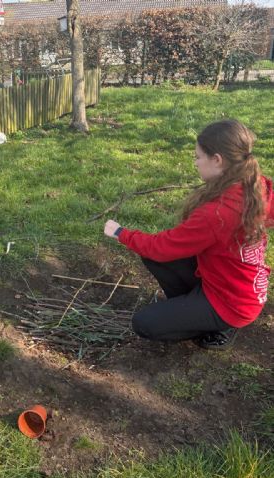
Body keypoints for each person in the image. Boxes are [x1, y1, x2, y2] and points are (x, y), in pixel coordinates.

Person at [104, 120, 273, 350]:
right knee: (154, 257)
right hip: (234, 284)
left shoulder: (217, 213)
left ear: (217, 160)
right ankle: (193, 308)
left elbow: (162, 247)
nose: (195, 163)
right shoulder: (256, 185)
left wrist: (120, 233)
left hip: (233, 304)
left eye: (198, 157)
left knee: (144, 323)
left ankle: (217, 326)